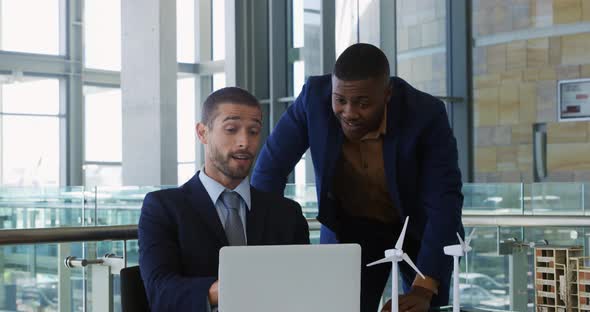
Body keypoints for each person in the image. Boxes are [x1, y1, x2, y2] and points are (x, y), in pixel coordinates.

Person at [251, 43, 463, 312]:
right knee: (342, 307)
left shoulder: (425, 114)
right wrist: (261, 249)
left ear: (387, 94)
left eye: (363, 103)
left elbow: (444, 201)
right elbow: (270, 170)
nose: (349, 112)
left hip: (416, 230)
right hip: (351, 228)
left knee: (419, 306)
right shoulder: (313, 99)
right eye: (340, 100)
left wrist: (424, 287)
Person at [138, 87, 310, 311]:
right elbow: (160, 292)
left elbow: (304, 289)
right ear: (202, 133)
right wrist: (232, 288)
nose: (244, 142)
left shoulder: (287, 213)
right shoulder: (163, 208)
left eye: (254, 131)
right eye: (231, 129)